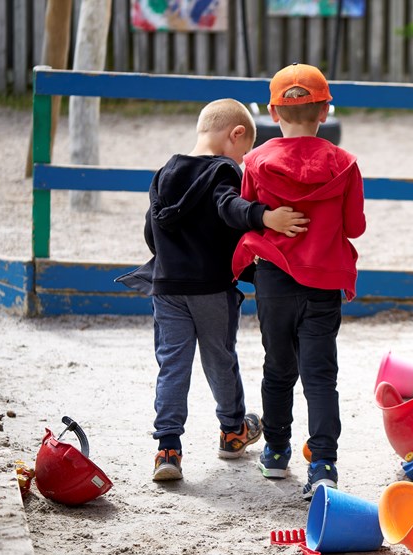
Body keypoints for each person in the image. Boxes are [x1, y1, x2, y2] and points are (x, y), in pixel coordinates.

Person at [119, 98, 310, 481]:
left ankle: (168, 448)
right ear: (235, 134)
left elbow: (149, 231)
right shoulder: (224, 171)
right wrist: (262, 216)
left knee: (172, 364)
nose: (242, 161)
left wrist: (173, 260)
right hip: (210, 288)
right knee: (220, 358)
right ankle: (233, 431)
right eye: (243, 152)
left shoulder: (164, 172)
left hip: (167, 287)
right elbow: (230, 207)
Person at [231, 63, 366, 500]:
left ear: (273, 111)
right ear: (325, 111)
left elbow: (247, 214)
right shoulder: (345, 164)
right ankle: (324, 463)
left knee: (277, 366)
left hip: (273, 280)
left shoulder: (254, 160)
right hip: (323, 281)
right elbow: (355, 226)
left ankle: (274, 450)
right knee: (320, 374)